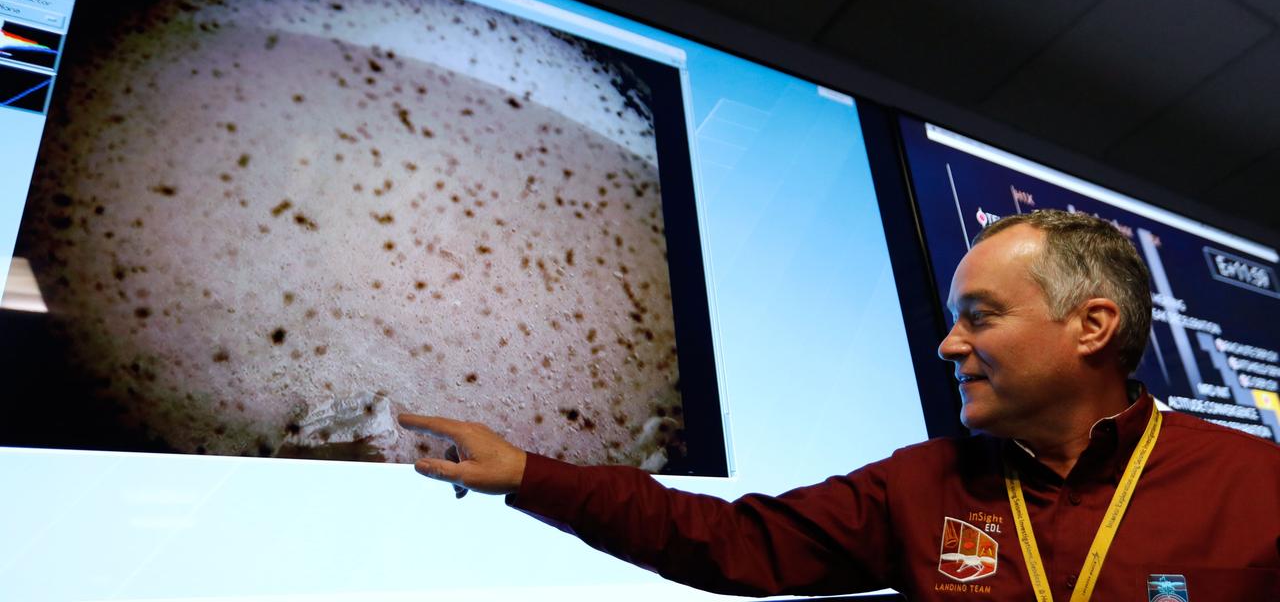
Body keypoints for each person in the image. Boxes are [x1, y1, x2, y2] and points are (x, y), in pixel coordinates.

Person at [398, 209, 1280, 600]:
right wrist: (528, 476)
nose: (949, 345)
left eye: (980, 318)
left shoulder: (1257, 488)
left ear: (1092, 326)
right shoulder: (922, 485)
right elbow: (734, 544)